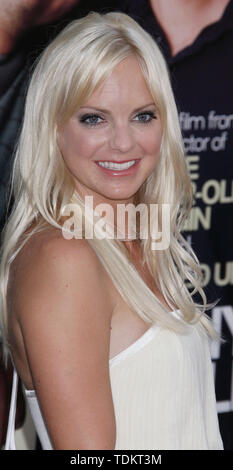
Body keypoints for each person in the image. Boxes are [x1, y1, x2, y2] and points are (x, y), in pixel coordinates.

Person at [0, 11, 223, 450]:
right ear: (53, 128)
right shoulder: (62, 258)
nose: (123, 142)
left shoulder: (138, 236)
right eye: (94, 119)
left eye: (142, 116)